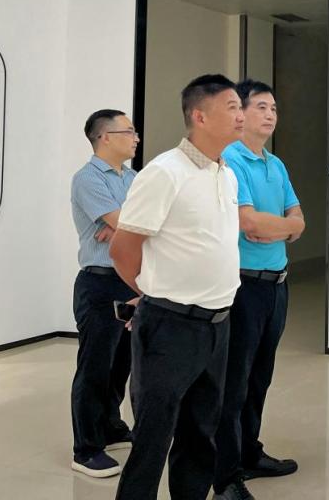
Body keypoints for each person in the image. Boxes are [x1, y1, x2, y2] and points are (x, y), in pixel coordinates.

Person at [109, 74, 244, 500]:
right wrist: (152, 293)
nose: (241, 115)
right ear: (199, 116)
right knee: (153, 436)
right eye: (232, 107)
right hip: (170, 325)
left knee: (200, 434)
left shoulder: (227, 174)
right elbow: (122, 249)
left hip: (218, 323)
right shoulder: (165, 172)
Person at [213, 80, 305, 500]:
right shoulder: (230, 159)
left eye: (274, 108)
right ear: (241, 113)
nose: (270, 115)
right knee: (234, 381)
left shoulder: (276, 163)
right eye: (261, 107)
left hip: (276, 285)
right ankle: (226, 473)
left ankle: (250, 451)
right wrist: (282, 226)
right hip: (243, 286)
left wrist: (279, 228)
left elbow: (300, 220)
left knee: (260, 377)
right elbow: (248, 223)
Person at [69, 110, 140, 478]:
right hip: (99, 283)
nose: (136, 137)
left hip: (130, 281)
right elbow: (131, 222)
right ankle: (86, 449)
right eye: (129, 131)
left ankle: (111, 426)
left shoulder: (133, 177)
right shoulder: (87, 179)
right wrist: (124, 225)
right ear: (105, 137)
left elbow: (147, 221)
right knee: (95, 367)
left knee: (121, 362)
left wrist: (122, 227)